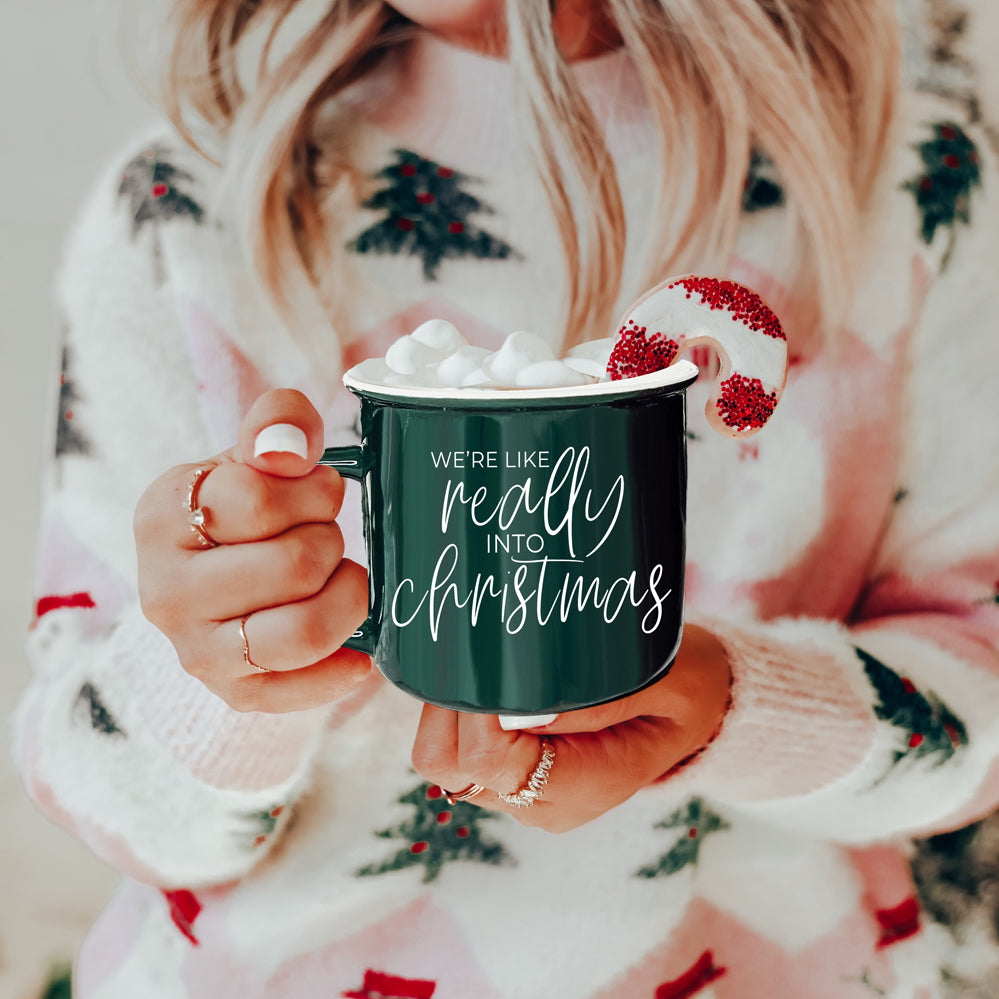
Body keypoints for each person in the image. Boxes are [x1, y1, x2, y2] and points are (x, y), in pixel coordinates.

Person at [13, 0, 999, 995]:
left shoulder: (914, 184)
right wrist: (216, 682)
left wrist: (732, 710)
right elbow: (94, 789)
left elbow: (983, 702)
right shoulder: (185, 208)